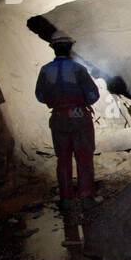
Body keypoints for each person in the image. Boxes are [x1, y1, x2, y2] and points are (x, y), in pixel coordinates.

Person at [35, 33, 101, 209]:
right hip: (79, 117)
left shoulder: (45, 70)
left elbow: (39, 96)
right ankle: (86, 197)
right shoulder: (78, 69)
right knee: (84, 156)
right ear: (70, 48)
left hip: (58, 118)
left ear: (54, 49)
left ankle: (66, 199)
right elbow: (93, 95)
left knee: (63, 158)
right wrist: (81, 101)